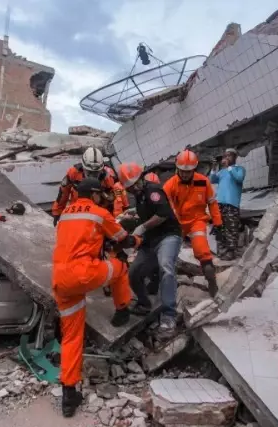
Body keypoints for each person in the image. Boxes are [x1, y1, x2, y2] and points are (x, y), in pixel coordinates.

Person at [52, 178, 142, 418]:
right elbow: (124, 238)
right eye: (100, 194)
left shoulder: (65, 214)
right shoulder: (98, 212)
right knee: (121, 267)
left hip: (61, 280)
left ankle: (69, 394)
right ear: (93, 194)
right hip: (84, 274)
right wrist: (139, 239)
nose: (103, 197)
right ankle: (122, 309)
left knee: (72, 337)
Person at [117, 162, 182, 337]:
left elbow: (162, 214)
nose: (132, 189)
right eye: (129, 188)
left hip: (168, 236)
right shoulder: (139, 195)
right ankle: (144, 303)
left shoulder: (153, 191)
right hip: (151, 240)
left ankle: (169, 315)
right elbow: (147, 212)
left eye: (133, 185)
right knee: (134, 273)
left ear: (140, 179)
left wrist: (143, 227)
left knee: (166, 267)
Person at [163, 150, 222, 297]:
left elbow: (212, 203)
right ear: (177, 168)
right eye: (182, 171)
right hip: (177, 222)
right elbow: (162, 205)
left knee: (203, 253)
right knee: (168, 254)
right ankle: (164, 284)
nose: (184, 174)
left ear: (194, 169)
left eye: (188, 172)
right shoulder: (170, 185)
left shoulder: (203, 181)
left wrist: (218, 223)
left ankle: (212, 283)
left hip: (197, 221)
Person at [51, 147, 115, 225]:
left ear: (101, 170)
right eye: (89, 172)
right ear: (83, 167)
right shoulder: (74, 173)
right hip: (76, 211)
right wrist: (57, 212)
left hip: (97, 216)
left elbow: (111, 202)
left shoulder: (107, 179)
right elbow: (63, 193)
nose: (92, 176)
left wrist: (110, 221)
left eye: (95, 173)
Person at [209, 148, 245, 260]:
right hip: (220, 204)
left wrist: (229, 167)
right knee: (220, 227)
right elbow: (212, 179)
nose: (226, 158)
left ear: (235, 157)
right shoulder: (222, 172)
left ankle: (231, 252)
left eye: (229, 156)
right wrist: (214, 168)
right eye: (225, 156)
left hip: (231, 204)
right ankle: (222, 251)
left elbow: (239, 178)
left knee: (231, 228)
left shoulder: (240, 169)